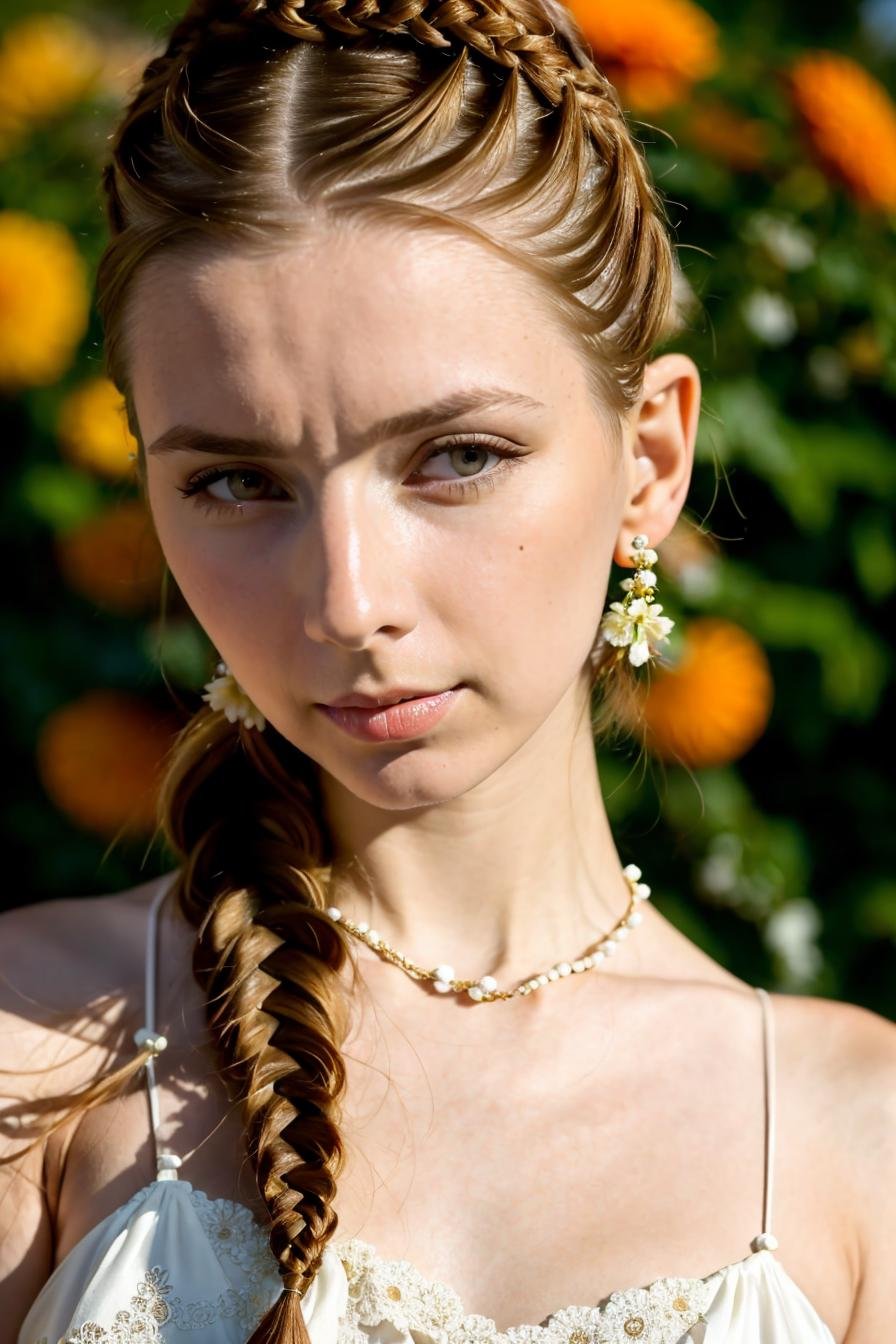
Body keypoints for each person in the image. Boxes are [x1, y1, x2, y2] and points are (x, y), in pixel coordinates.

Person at [1, 0, 893, 1340]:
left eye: (456, 458)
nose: (350, 602)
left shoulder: (858, 1145)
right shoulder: (29, 1053)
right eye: (240, 481)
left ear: (651, 459)